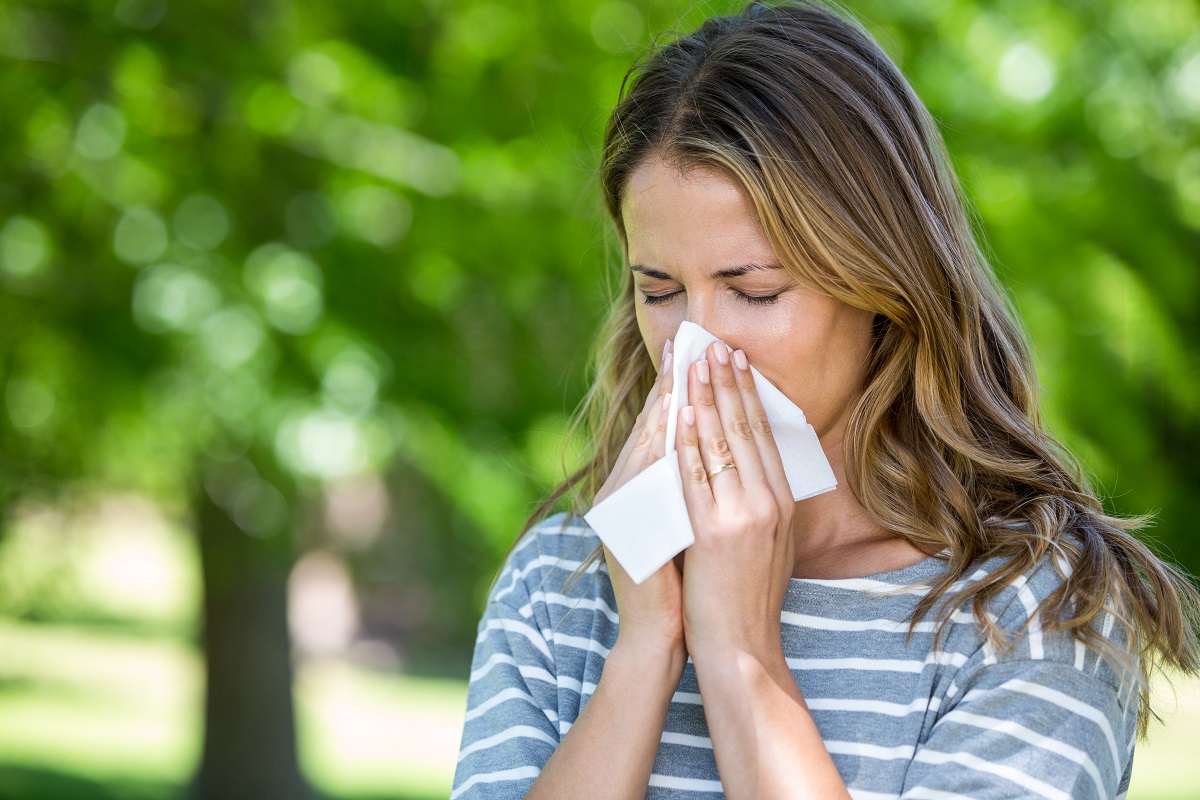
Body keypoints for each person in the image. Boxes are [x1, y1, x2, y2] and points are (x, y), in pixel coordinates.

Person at [451, 1, 1200, 798]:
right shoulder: (558, 580)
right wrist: (644, 650)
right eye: (660, 290)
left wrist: (743, 658)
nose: (698, 347)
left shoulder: (1032, 611)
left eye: (756, 291)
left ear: (883, 282)